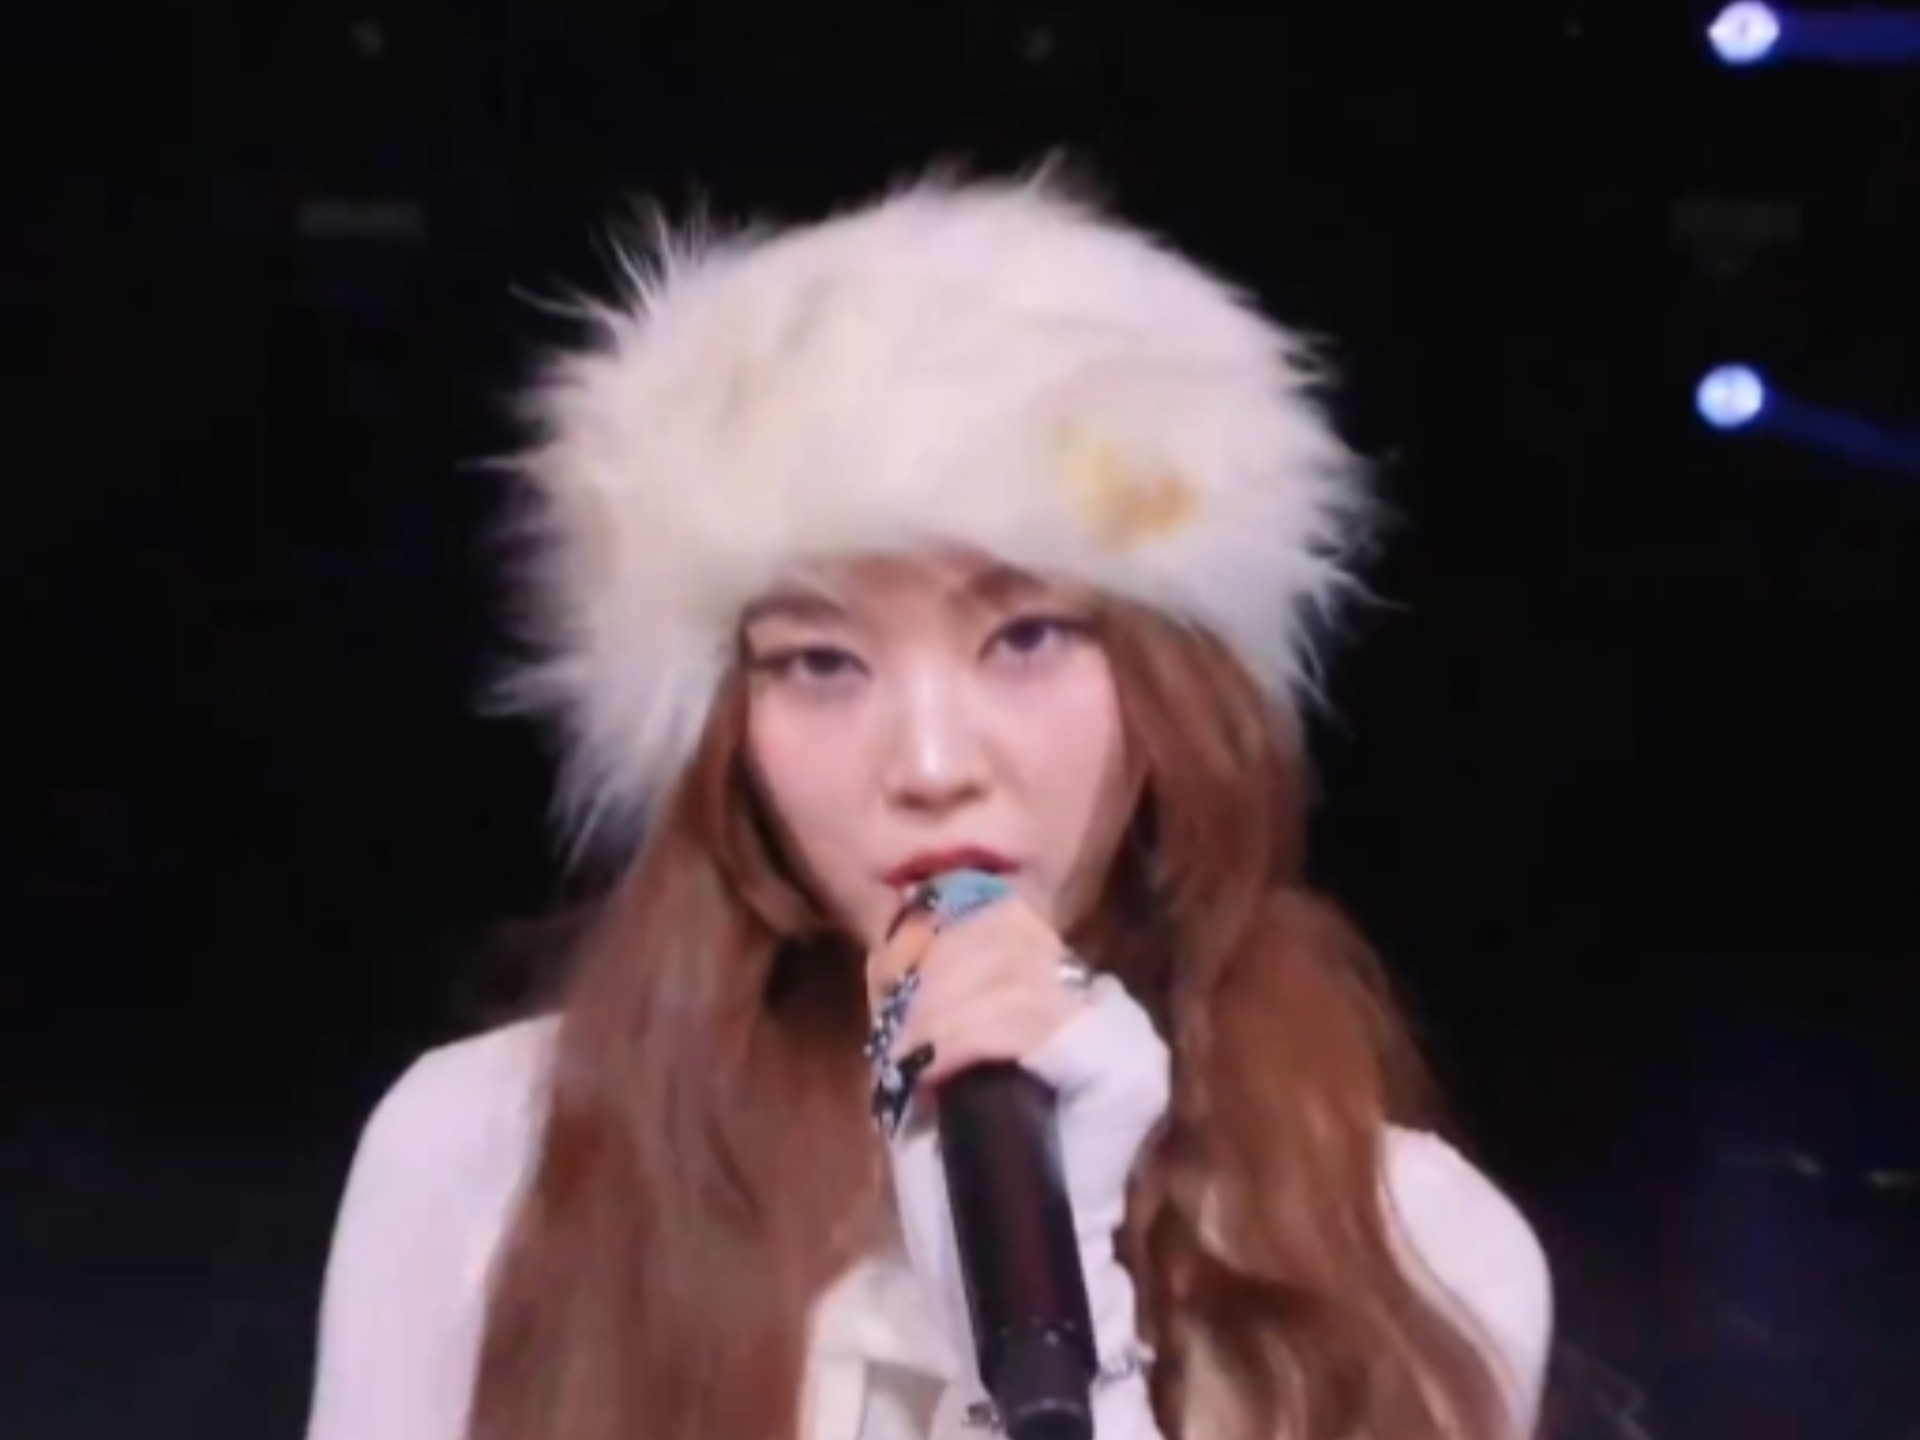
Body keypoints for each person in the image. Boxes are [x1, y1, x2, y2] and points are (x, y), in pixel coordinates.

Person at [303, 172, 1553, 1440]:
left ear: (1176, 686)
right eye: (820, 662)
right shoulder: (482, 1161)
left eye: (1025, 638)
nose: (931, 762)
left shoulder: (1416, 1259)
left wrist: (1068, 1329)